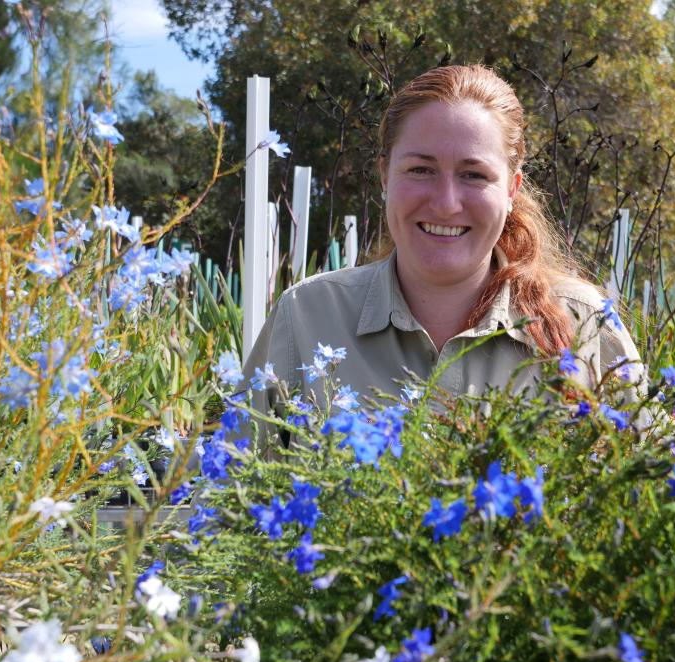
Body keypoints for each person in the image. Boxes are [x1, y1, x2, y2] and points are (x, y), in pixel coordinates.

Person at [242, 64, 644, 440]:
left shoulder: (585, 324)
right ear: (385, 174)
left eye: (474, 175)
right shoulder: (308, 316)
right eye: (421, 169)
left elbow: (654, 499)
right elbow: (222, 503)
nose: (446, 203)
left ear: (511, 188)